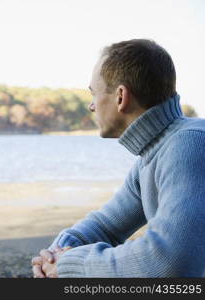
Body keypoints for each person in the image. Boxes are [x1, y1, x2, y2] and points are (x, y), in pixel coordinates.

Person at [31, 39, 205, 278]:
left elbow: (169, 260)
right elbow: (106, 225)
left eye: (94, 93)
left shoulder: (189, 145)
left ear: (121, 97)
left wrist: (69, 264)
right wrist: (54, 253)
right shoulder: (156, 152)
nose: (91, 106)